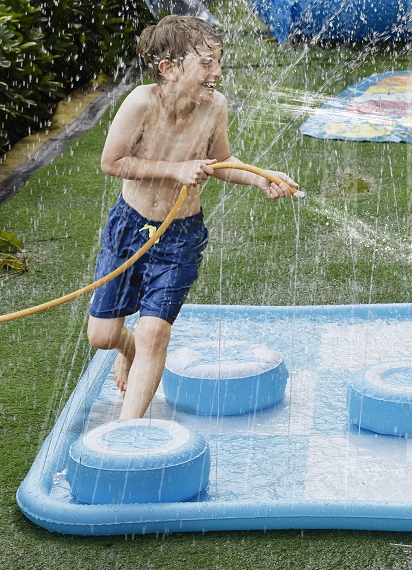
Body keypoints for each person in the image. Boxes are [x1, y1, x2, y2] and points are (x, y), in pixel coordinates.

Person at [87, 15, 298, 419]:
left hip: (181, 234)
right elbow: (111, 162)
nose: (217, 72)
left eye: (218, 61)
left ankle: (127, 432)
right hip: (130, 225)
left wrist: (261, 178)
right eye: (206, 63)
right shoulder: (141, 103)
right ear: (167, 68)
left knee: (154, 332)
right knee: (103, 336)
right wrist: (176, 169)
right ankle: (126, 352)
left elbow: (219, 162)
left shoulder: (214, 106)